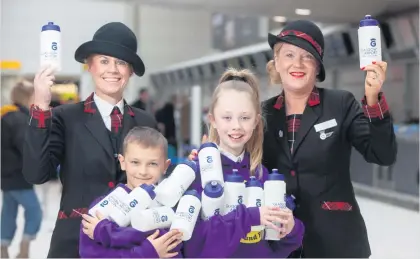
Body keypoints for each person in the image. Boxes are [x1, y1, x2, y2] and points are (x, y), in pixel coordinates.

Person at [22, 22, 157, 258]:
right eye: (104, 61)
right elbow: (36, 174)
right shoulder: (65, 118)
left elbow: (157, 184)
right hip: (74, 244)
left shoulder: (146, 122)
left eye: (121, 62)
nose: (112, 69)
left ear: (131, 71)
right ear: (90, 66)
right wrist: (42, 107)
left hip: (131, 244)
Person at [263, 20, 396, 257]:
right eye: (289, 54)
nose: (297, 63)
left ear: (317, 67)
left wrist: (373, 99)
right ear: (277, 63)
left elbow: (382, 154)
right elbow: (241, 162)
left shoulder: (340, 104)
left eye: (307, 56)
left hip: (337, 243)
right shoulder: (262, 114)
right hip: (280, 242)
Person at [184, 68, 304, 258]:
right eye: (227, 117)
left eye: (245, 118)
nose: (236, 126)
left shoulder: (262, 175)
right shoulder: (197, 174)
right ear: (213, 120)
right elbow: (194, 245)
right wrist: (251, 217)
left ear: (256, 121)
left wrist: (291, 229)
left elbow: (277, 247)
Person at [79, 127, 183, 258]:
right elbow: (90, 255)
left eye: (152, 164)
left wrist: (106, 231)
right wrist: (145, 252)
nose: (143, 171)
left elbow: (173, 245)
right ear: (123, 162)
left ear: (165, 166)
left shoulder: (170, 204)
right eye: (135, 162)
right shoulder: (102, 207)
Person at [1, 81, 43, 258]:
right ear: (28, 97)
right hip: (19, 174)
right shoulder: (20, 119)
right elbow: (26, 148)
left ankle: (3, 248)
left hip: (6, 174)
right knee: (35, 212)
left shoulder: (6, 116)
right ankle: (24, 247)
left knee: (9, 212)